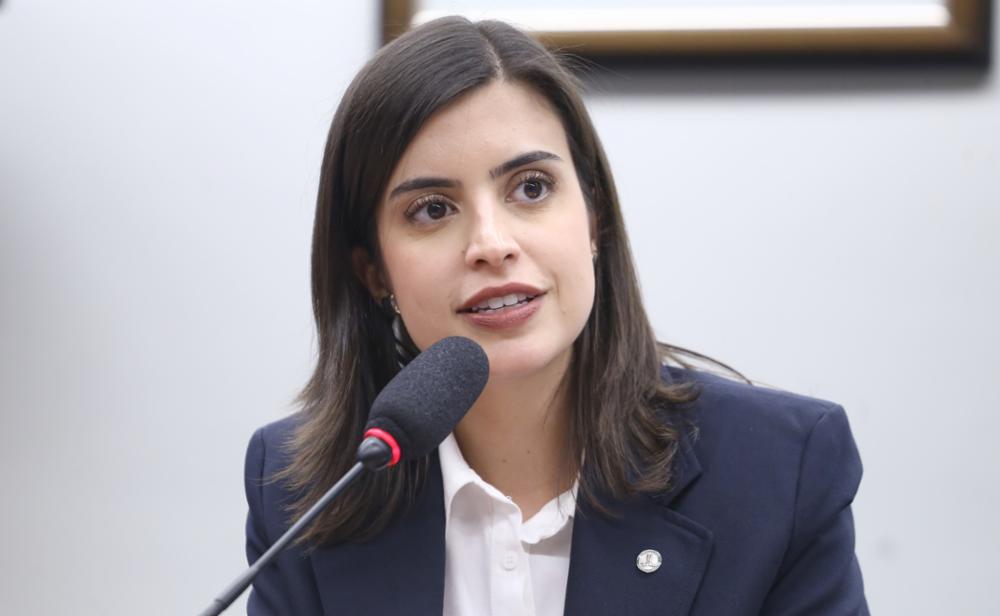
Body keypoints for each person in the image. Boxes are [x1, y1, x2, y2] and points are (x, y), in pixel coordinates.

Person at [243, 16, 868, 616]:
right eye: (432, 209)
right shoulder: (303, 492)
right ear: (373, 271)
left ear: (594, 218)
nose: (491, 244)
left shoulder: (780, 471)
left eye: (531, 187)